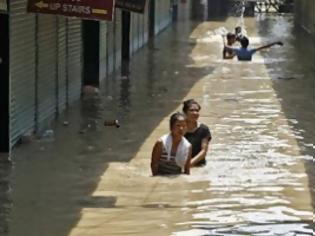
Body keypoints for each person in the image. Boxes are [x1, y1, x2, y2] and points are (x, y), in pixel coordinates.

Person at [182, 99, 211, 167]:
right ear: (185, 112)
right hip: (181, 162)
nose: (195, 113)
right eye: (191, 110)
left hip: (198, 164)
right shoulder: (179, 127)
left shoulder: (204, 129)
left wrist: (190, 163)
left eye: (197, 111)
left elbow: (203, 151)